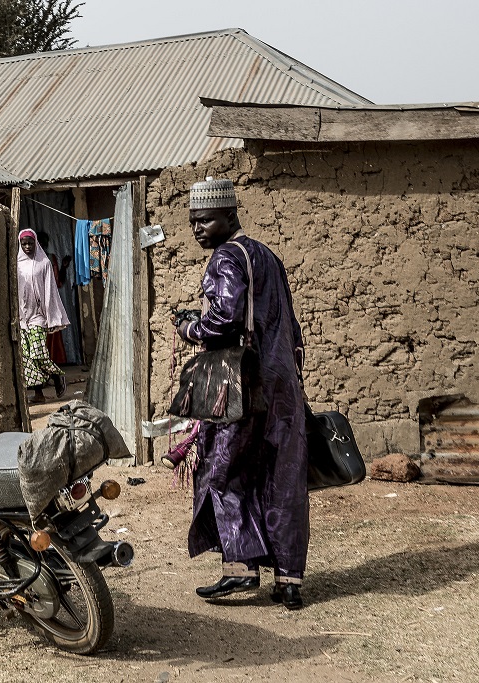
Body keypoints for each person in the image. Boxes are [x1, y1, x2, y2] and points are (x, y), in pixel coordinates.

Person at [175, 177, 309, 610]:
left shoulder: (227, 257)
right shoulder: (267, 255)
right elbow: (289, 322)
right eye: (193, 221)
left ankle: (240, 569)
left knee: (222, 471)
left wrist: (190, 326)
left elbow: (225, 319)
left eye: (206, 220)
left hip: (242, 388)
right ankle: (289, 581)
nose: (198, 229)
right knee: (281, 479)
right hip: (280, 384)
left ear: (231, 215)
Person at [18, 229, 70, 402]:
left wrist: (51, 315)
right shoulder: (17, 264)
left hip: (38, 316)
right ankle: (38, 394)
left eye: (30, 243)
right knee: (27, 358)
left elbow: (50, 290)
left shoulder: (44, 263)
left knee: (39, 353)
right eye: (24, 243)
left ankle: (57, 374)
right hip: (22, 317)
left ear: (36, 243)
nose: (27, 246)